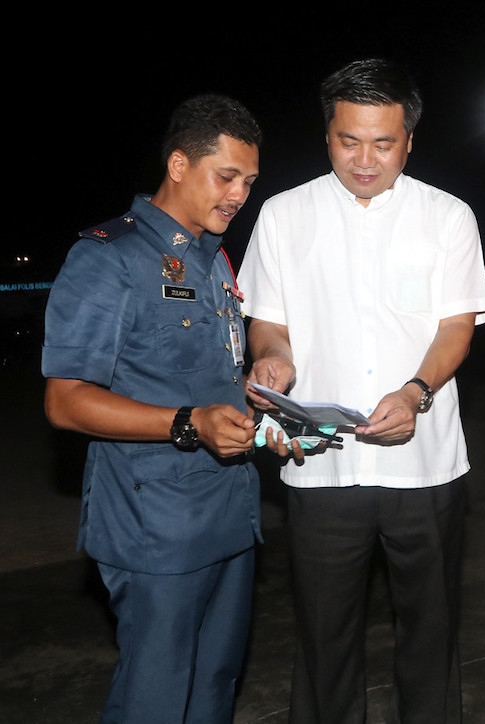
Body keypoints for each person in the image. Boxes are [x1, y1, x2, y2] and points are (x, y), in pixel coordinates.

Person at [237, 58, 485, 723]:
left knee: (431, 636)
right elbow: (270, 321)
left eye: (383, 142)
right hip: (322, 466)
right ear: (327, 135)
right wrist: (271, 361)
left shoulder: (448, 217)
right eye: (349, 140)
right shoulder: (284, 215)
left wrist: (415, 391)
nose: (365, 158)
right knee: (324, 640)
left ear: (410, 140)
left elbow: (456, 327)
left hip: (426, 465)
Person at [42, 94, 263, 722]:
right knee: (156, 701)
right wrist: (188, 423)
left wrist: (266, 406)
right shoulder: (108, 256)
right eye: (225, 177)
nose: (238, 194)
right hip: (156, 527)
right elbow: (65, 401)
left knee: (215, 688)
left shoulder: (215, 260)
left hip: (229, 514)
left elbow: (212, 373)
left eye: (248, 181)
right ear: (177, 164)